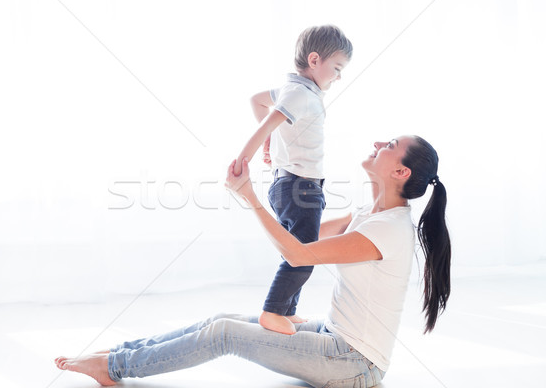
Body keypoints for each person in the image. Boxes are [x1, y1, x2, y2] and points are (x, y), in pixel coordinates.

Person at [54, 135, 451, 388]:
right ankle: (117, 355)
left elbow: (297, 254)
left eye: (390, 144)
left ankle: (116, 368)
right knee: (220, 319)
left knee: (224, 333)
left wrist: (250, 197)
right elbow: (301, 238)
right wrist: (281, 172)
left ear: (400, 171)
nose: (378, 141)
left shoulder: (386, 230)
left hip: (354, 364)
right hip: (333, 337)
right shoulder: (370, 213)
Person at [234, 25, 353, 334]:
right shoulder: (300, 93)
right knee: (303, 254)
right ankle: (273, 311)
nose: (338, 77)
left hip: (291, 184)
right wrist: (245, 158)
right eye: (337, 68)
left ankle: (287, 310)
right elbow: (267, 122)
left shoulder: (294, 88)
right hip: (300, 185)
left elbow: (257, 100)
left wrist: (273, 143)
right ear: (314, 60)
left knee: (299, 248)